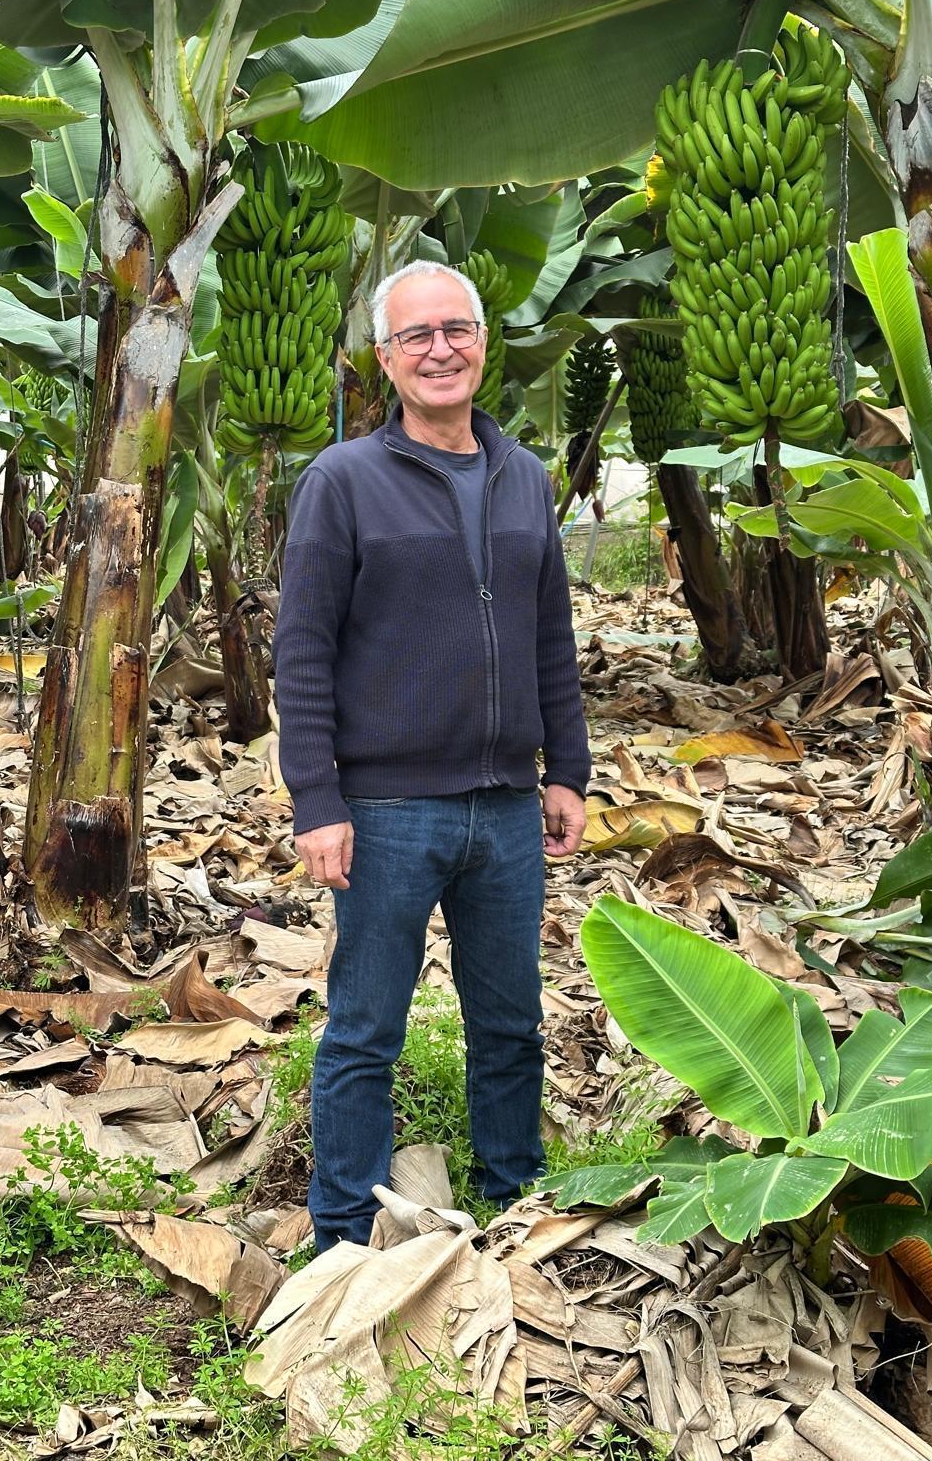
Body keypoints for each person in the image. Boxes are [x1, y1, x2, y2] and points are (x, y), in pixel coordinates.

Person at [272, 259, 590, 1251]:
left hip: (505, 807)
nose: (440, 349)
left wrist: (567, 770)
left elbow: (550, 636)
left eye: (457, 329)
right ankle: (341, 1236)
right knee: (366, 1029)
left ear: (484, 343)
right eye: (417, 335)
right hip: (387, 811)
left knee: (511, 1023)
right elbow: (303, 650)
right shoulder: (343, 482)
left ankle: (514, 1199)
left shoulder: (525, 476)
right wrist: (316, 798)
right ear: (386, 358)